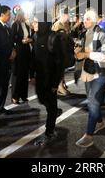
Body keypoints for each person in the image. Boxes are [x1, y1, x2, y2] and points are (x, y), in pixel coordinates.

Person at [75, 9, 105, 148]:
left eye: (88, 18)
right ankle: (100, 122)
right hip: (88, 71)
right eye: (84, 18)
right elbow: (80, 50)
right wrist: (78, 51)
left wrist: (86, 55)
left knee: (93, 102)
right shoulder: (84, 33)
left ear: (95, 20)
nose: (85, 21)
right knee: (93, 101)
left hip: (100, 73)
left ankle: (89, 135)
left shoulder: (101, 33)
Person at [32, 13, 64, 146]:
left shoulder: (54, 37)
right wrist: (32, 75)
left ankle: (49, 132)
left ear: (43, 23)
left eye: (35, 21)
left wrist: (55, 83)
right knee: (41, 99)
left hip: (50, 79)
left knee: (51, 105)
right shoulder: (35, 36)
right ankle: (54, 112)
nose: (32, 24)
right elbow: (35, 57)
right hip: (40, 77)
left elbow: (60, 62)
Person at [11, 9, 32, 104]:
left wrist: (28, 40)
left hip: (26, 50)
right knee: (18, 74)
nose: (28, 15)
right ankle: (15, 96)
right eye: (27, 14)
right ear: (21, 15)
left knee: (24, 74)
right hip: (19, 51)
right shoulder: (15, 24)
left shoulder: (27, 25)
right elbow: (13, 37)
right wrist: (21, 41)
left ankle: (23, 95)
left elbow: (29, 36)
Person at [52, 8, 73, 96]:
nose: (68, 17)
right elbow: (53, 40)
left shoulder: (66, 24)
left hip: (65, 50)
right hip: (59, 51)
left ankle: (62, 85)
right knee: (59, 70)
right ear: (63, 15)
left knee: (62, 69)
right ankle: (59, 87)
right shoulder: (57, 25)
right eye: (68, 16)